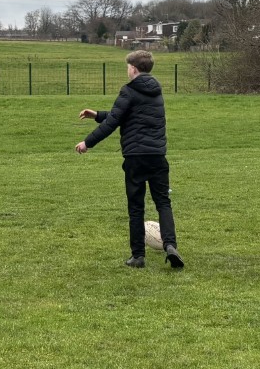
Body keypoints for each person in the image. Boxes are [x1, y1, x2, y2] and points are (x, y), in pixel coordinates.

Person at [76, 49, 183, 269]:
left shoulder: (129, 91)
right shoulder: (156, 91)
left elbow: (114, 121)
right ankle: (170, 245)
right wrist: (97, 114)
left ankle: (138, 256)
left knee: (136, 207)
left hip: (135, 157)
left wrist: (87, 143)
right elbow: (125, 114)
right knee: (163, 202)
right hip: (157, 156)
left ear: (133, 68)